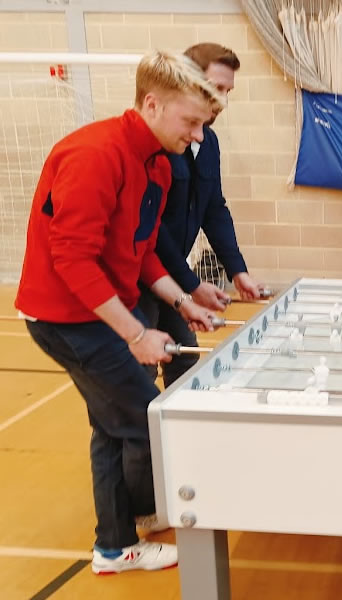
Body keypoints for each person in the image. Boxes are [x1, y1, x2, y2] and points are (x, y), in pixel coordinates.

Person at [15, 50, 223, 575]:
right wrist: (135, 334)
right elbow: (73, 260)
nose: (198, 136)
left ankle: (119, 540)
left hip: (92, 316)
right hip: (68, 321)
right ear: (151, 105)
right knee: (143, 420)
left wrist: (183, 300)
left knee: (112, 425)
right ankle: (121, 537)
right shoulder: (95, 154)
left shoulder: (154, 162)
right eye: (191, 122)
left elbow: (140, 249)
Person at [138, 42, 264, 388]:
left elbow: (214, 208)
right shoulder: (157, 145)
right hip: (141, 281)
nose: (222, 100)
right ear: (188, 81)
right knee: (140, 377)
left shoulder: (207, 143)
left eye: (228, 91)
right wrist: (192, 285)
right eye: (217, 88)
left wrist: (238, 270)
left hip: (174, 276)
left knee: (185, 357)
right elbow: (153, 230)